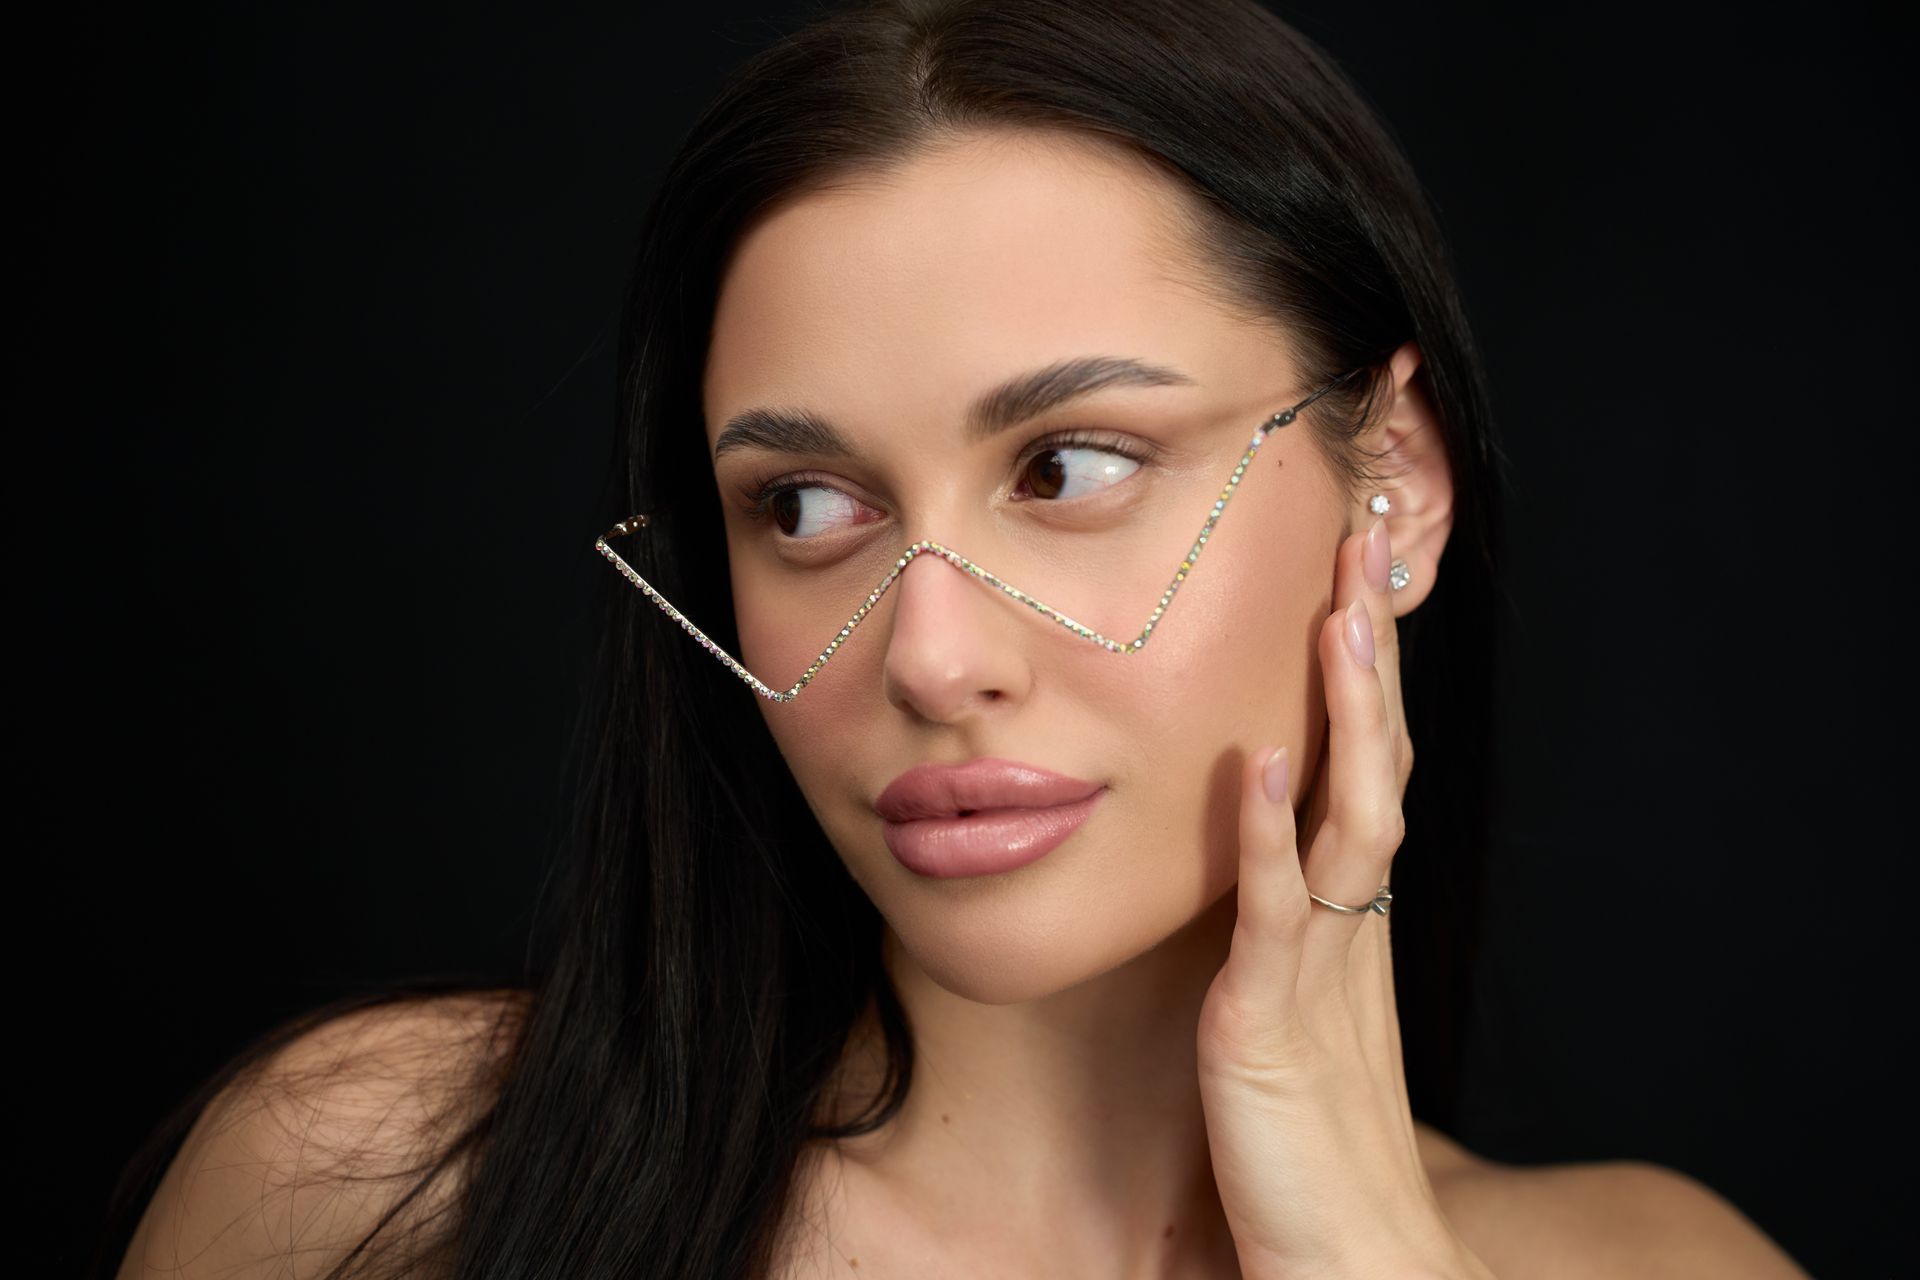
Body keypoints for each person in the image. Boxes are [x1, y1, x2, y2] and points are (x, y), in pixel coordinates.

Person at [104, 1, 1808, 1276]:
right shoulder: (377, 1188)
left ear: (1398, 486)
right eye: (807, 508)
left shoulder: (1656, 1260)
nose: (926, 654)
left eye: (1069, 469)